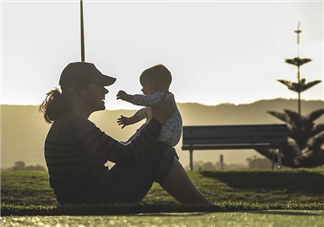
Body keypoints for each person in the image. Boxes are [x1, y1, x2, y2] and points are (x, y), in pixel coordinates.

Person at [39, 61, 211, 205]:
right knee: (158, 150)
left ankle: (204, 207)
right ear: (82, 90)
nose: (105, 91)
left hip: (89, 199)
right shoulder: (74, 125)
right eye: (100, 86)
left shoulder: (68, 123)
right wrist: (157, 120)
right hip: (94, 201)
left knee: (157, 149)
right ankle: (205, 208)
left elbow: (120, 152)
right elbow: (128, 155)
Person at [116, 64, 182, 149]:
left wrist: (128, 97)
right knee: (145, 129)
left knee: (143, 130)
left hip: (164, 132)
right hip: (171, 136)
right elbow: (144, 112)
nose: (142, 89)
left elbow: (144, 100)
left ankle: (129, 144)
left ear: (156, 83)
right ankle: (128, 143)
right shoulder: (164, 100)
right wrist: (130, 120)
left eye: (143, 85)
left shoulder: (162, 96)